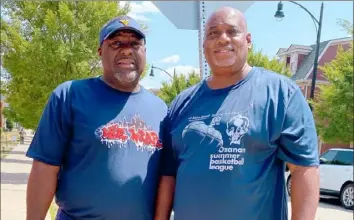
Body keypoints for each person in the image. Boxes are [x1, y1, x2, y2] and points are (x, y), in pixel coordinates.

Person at [155, 7, 319, 220]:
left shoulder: (280, 94)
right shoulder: (181, 104)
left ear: (248, 40)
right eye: (213, 33)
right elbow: (168, 176)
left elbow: (303, 170)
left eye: (232, 31)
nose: (222, 39)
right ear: (204, 45)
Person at [26, 15, 167, 220]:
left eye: (135, 44)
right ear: (100, 52)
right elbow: (44, 169)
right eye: (116, 43)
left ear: (144, 52)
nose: (126, 49)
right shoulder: (69, 95)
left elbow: (165, 179)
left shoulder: (161, 110)